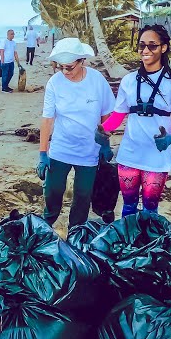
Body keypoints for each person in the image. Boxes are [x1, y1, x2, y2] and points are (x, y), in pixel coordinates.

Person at [98, 24, 171, 216]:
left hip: (157, 157)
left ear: (163, 48)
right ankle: (128, 244)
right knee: (128, 206)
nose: (145, 50)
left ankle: (146, 244)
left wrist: (170, 138)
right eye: (142, 45)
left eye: (152, 45)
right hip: (129, 154)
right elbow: (117, 117)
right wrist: (102, 133)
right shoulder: (128, 80)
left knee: (151, 208)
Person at [37, 38, 116, 228]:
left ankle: (76, 229)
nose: (64, 72)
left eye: (69, 67)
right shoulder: (54, 83)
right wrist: (42, 153)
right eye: (60, 67)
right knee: (53, 190)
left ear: (82, 61)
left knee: (83, 194)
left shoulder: (97, 80)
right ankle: (48, 221)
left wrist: (105, 143)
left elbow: (107, 114)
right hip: (61, 147)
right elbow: (47, 119)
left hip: (89, 150)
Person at [0, 29, 19, 93]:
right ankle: (4, 88)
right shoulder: (4, 41)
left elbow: (15, 53)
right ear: (8, 34)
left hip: (11, 61)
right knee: (5, 75)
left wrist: (18, 62)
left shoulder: (13, 43)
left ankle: (6, 86)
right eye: (12, 34)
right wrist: (2, 61)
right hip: (5, 62)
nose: (13, 35)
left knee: (11, 74)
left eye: (13, 34)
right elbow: (2, 51)